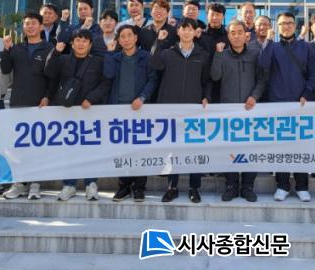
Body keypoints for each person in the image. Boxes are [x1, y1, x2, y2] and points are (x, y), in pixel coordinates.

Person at [44, 29, 111, 201]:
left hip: (90, 110)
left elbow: (105, 83)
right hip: (68, 111)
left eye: (84, 41)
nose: (81, 44)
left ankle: (91, 184)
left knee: (91, 149)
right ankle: (69, 185)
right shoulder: (63, 59)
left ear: (90, 44)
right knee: (69, 149)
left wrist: (91, 98)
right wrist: (55, 52)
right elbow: (50, 73)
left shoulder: (98, 61)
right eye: (77, 40)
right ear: (72, 44)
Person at [150, 18, 212, 204]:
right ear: (178, 32)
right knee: (172, 148)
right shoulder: (168, 53)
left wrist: (206, 96)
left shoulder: (203, 55)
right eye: (183, 29)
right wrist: (159, 41)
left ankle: (194, 187)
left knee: (194, 147)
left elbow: (207, 80)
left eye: (190, 29)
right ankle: (172, 187)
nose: (186, 32)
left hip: (194, 108)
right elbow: (154, 63)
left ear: (195, 32)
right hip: (171, 108)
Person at [258, 11, 315, 202]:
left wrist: (306, 94)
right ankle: (282, 185)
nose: (286, 26)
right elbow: (263, 64)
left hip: (301, 103)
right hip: (278, 103)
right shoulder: (272, 46)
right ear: (277, 27)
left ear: (295, 25)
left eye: (290, 23)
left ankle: (302, 186)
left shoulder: (306, 47)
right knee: (281, 146)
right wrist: (268, 41)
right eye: (282, 23)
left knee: (301, 145)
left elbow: (313, 75)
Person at [0, 12, 56, 201]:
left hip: (40, 104)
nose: (30, 26)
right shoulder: (17, 48)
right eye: (27, 24)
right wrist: (6, 50)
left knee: (37, 146)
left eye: (33, 23)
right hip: (18, 102)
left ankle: (35, 184)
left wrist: (47, 97)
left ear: (41, 26)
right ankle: (19, 184)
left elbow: (53, 77)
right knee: (19, 146)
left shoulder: (49, 48)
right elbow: (5, 69)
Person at [210, 20, 268, 202]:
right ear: (228, 36)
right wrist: (218, 54)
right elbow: (215, 76)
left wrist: (254, 96)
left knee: (251, 148)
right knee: (230, 149)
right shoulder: (223, 54)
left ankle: (248, 186)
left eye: (239, 32)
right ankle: (231, 185)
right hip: (228, 111)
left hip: (251, 109)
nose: (236, 36)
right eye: (232, 33)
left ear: (246, 35)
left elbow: (262, 79)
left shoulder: (255, 53)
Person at [104, 24, 157, 203]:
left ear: (135, 38)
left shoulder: (146, 57)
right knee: (122, 150)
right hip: (119, 110)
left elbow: (152, 80)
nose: (126, 39)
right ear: (118, 40)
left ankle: (139, 187)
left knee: (140, 149)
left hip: (140, 109)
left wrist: (142, 97)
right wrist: (109, 54)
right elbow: (108, 75)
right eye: (122, 36)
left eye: (129, 35)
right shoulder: (115, 57)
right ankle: (124, 186)